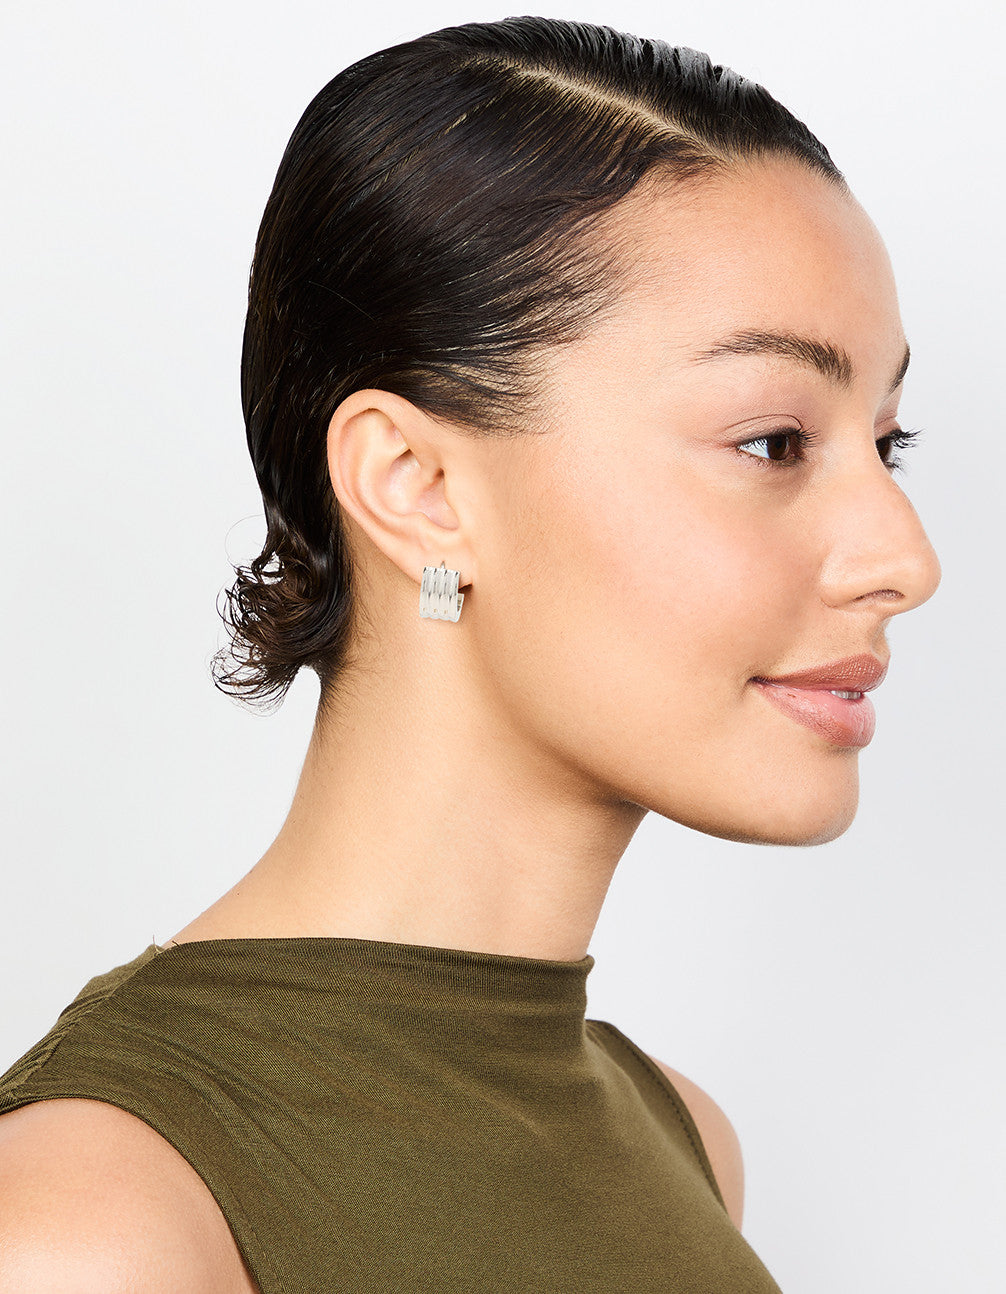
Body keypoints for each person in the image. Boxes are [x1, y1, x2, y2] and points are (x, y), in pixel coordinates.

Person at [0, 15, 940, 1293]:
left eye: (885, 445)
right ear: (418, 486)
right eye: (773, 442)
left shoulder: (685, 1139)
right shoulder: (98, 1224)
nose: (905, 560)